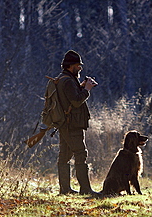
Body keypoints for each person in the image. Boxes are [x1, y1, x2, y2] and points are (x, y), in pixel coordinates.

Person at [55, 50, 98, 196]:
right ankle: (85, 190)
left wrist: (80, 86)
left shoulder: (65, 79)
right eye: (77, 65)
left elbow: (70, 98)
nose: (80, 68)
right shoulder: (67, 80)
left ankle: (65, 190)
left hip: (66, 124)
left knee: (65, 156)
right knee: (81, 154)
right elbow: (76, 101)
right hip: (71, 125)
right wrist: (87, 90)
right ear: (70, 65)